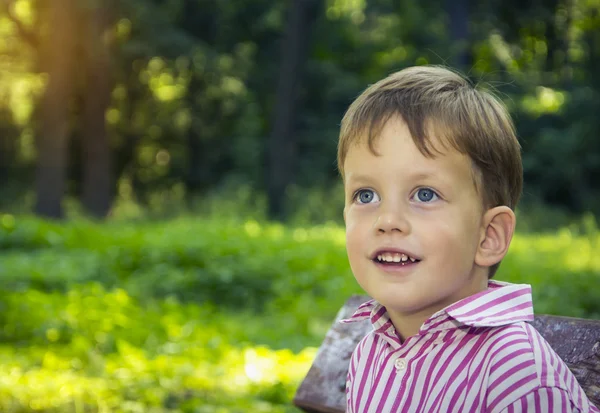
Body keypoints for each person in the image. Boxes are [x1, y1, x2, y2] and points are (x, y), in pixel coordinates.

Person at [338, 65, 600, 413]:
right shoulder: (370, 353)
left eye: (425, 194)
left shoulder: (515, 374)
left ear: (488, 236)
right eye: (366, 195)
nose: (388, 221)